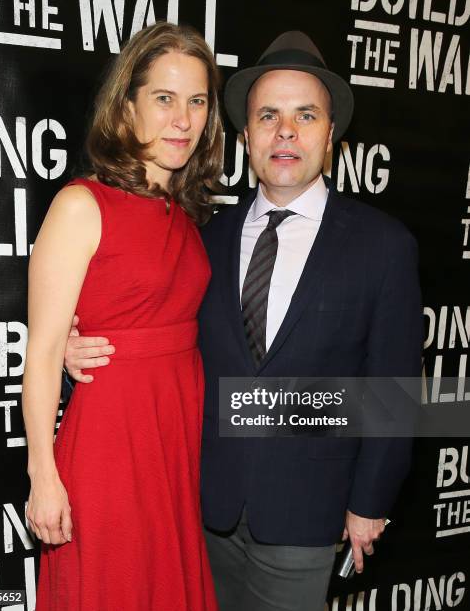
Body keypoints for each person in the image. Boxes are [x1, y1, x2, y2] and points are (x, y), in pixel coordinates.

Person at [64, 31, 423, 611]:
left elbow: (395, 393)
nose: (285, 131)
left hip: (308, 515)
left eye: (305, 116)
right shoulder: (203, 236)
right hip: (196, 511)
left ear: (330, 137)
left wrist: (369, 503)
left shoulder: (383, 247)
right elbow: (153, 328)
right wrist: (70, 344)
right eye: (268, 116)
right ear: (245, 137)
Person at [22, 22, 223, 611]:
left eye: (197, 102)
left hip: (173, 446)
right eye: (164, 99)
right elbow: (41, 352)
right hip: (110, 445)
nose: (182, 120)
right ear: (127, 104)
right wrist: (43, 475)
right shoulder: (82, 205)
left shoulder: (184, 217)